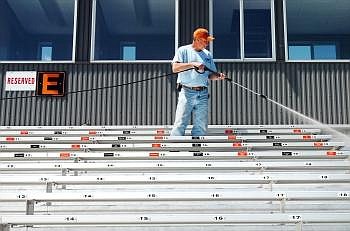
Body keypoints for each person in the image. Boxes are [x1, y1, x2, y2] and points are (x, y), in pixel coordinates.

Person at [170, 28, 226, 136]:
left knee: (201, 124)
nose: (207, 44)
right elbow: (175, 68)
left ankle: (197, 149)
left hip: (203, 93)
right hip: (187, 92)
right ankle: (174, 147)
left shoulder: (208, 55)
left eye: (208, 41)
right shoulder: (183, 50)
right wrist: (192, 64)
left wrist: (217, 76)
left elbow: (210, 75)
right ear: (197, 39)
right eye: (205, 41)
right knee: (180, 121)